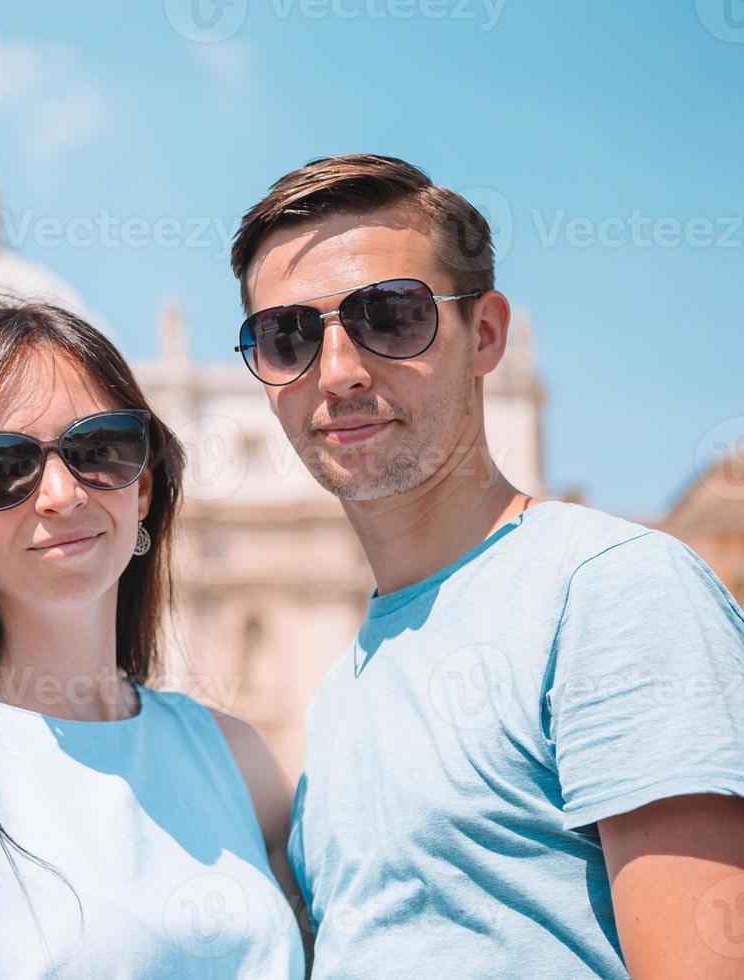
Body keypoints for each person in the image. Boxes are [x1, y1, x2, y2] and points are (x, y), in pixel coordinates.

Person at [228, 153, 744, 978]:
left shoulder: (613, 592)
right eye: (287, 335)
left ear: (488, 335)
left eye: (390, 317)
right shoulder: (344, 686)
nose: (338, 371)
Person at [0, 298, 306, 978]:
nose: (61, 494)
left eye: (99, 450)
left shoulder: (237, 754)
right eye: (0, 466)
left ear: (142, 489)